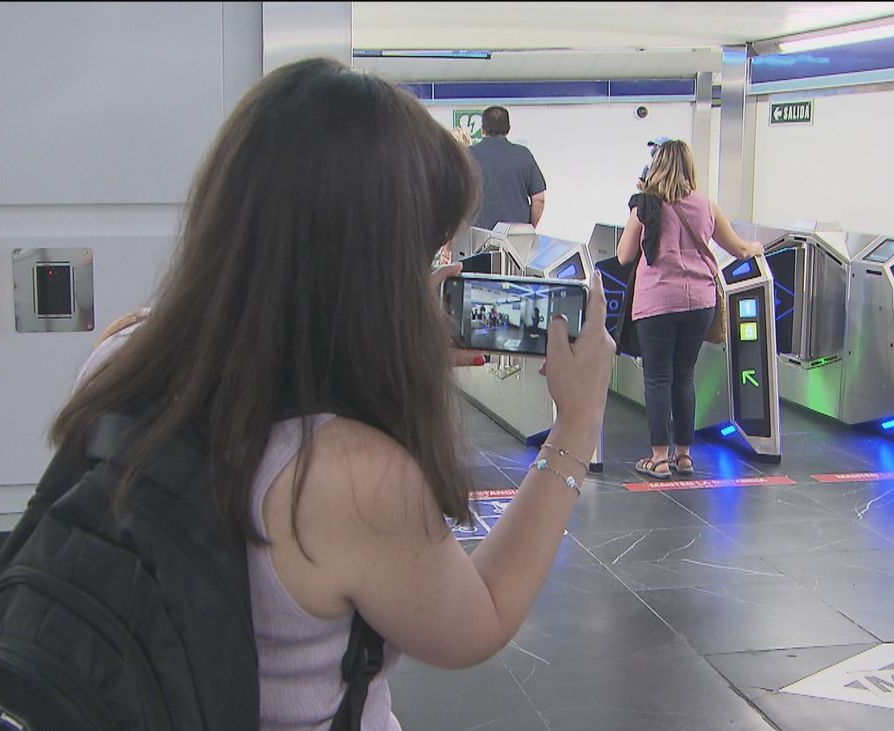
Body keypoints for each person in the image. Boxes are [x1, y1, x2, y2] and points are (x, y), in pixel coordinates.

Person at [54, 58, 614, 729]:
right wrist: (575, 427)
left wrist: (389, 348)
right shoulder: (346, 474)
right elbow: (480, 616)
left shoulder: (122, 353)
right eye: (423, 253)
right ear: (368, 262)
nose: (431, 272)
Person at [617, 139, 762, 479]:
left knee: (657, 378)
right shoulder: (705, 205)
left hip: (657, 302)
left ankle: (658, 457)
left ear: (656, 168)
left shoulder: (646, 206)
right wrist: (757, 247)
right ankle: (683, 455)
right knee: (684, 376)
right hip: (699, 302)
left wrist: (636, 209)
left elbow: (624, 255)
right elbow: (739, 249)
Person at [467, 106, 547, 230]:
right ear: (508, 128)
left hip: (479, 240)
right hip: (516, 241)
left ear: (482, 129)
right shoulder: (524, 155)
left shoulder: (469, 155)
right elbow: (539, 200)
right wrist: (528, 229)